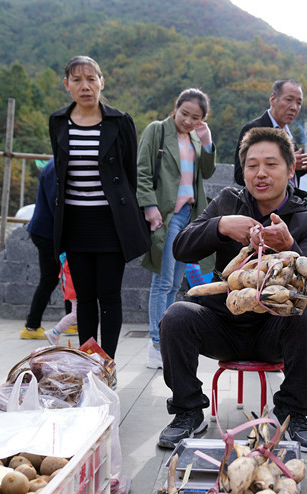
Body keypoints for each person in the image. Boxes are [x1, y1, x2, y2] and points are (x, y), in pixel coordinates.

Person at [158, 127, 307, 452]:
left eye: (271, 164)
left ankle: (294, 411)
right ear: (243, 170)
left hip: (275, 331)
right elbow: (181, 247)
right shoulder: (227, 202)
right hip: (223, 326)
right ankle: (187, 410)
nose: (260, 173)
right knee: (177, 315)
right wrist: (219, 226)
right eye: (252, 165)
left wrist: (290, 245)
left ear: (291, 169)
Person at [49, 56, 150, 359]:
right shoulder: (58, 122)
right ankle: (88, 361)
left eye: (91, 79)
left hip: (111, 222)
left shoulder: (119, 122)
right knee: (85, 298)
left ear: (101, 82)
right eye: (77, 80)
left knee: (109, 295)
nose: (85, 86)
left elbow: (130, 177)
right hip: (75, 222)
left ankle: (107, 362)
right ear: (67, 84)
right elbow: (61, 171)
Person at [136, 88, 216, 369]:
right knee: (163, 281)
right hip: (166, 213)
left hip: (190, 215)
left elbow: (206, 173)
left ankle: (165, 340)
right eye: (184, 113)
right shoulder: (157, 131)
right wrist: (149, 206)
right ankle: (157, 343)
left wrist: (206, 143)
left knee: (175, 282)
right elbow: (142, 170)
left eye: (195, 117)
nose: (188, 120)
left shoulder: (196, 137)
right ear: (175, 107)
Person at [21, 159, 74, 340]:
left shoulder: (55, 163)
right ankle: (31, 326)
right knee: (51, 279)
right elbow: (57, 204)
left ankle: (71, 321)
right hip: (48, 233)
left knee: (64, 276)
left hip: (47, 231)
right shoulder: (57, 167)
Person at [233, 79, 307, 187]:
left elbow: (292, 175)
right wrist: (287, 164)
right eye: (289, 100)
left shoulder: (288, 134)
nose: (294, 107)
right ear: (273, 99)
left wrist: (300, 166)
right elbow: (239, 175)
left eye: (299, 103)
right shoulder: (253, 129)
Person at [44, 253, 77, 346]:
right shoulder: (69, 258)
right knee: (76, 313)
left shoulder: (65, 257)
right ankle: (54, 332)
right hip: (73, 288)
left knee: (77, 312)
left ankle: (54, 332)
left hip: (71, 287)